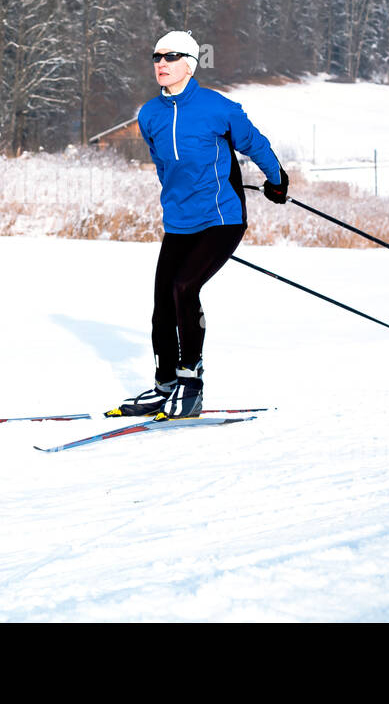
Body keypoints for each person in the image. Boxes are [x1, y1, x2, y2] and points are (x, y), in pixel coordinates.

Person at [109, 30, 288, 420]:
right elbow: (165, 166)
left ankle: (191, 383)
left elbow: (254, 143)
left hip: (221, 217)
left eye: (170, 57)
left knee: (184, 287)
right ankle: (165, 386)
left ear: (189, 64)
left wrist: (276, 180)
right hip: (179, 221)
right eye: (156, 56)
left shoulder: (217, 108)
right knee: (162, 306)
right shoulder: (149, 115)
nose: (160, 63)